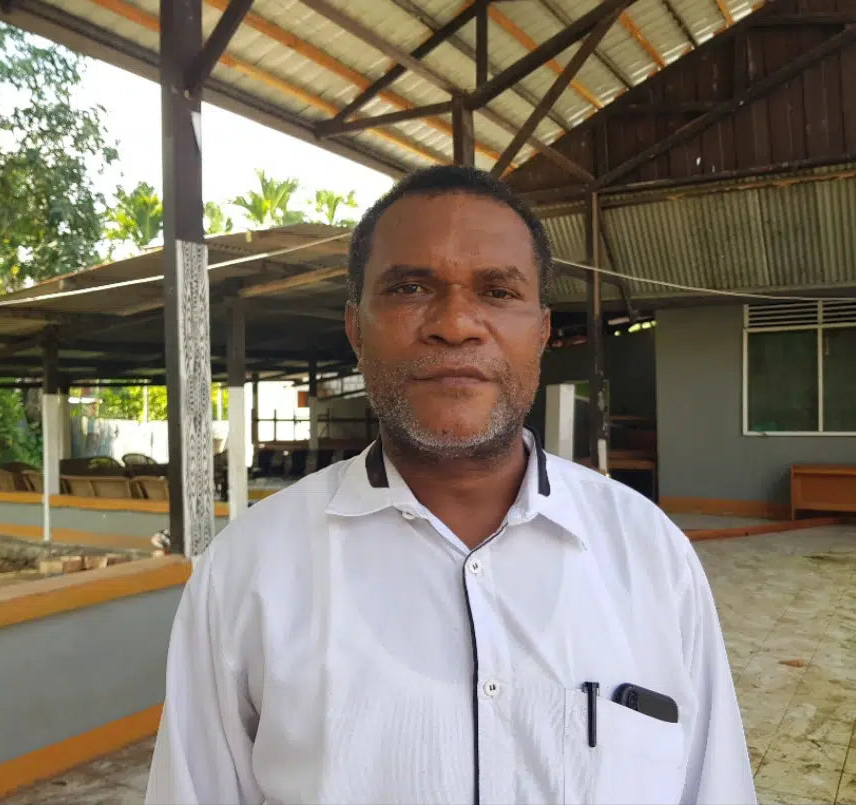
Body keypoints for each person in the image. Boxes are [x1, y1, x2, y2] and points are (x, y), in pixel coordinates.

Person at [145, 165, 757, 805]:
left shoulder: (651, 554)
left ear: (542, 332)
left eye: (498, 291)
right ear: (356, 330)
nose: (457, 323)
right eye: (410, 288)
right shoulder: (248, 572)